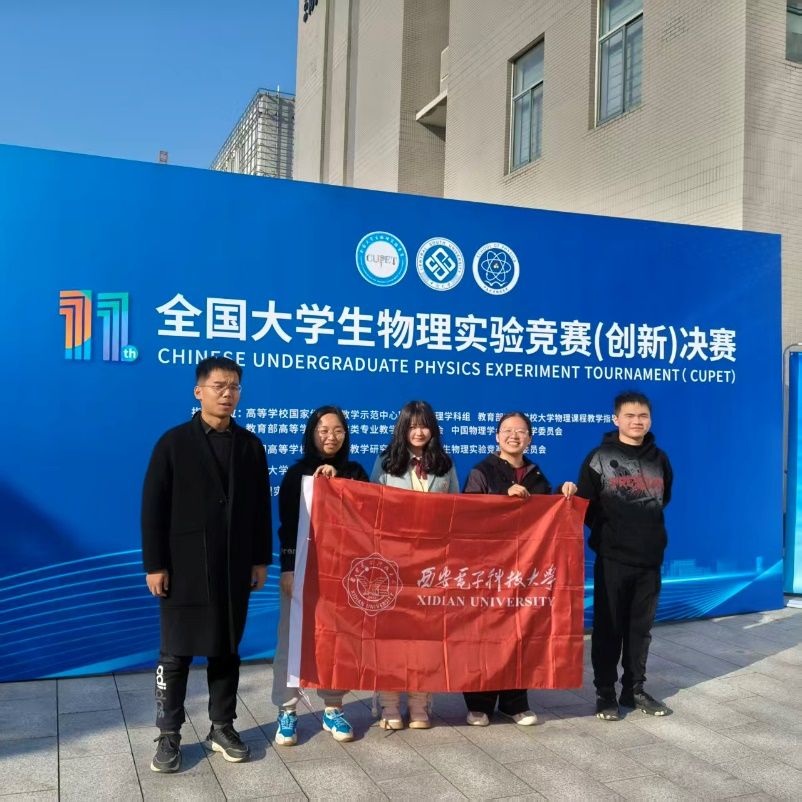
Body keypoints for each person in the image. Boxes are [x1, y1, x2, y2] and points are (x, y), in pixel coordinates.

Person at [142, 357, 271, 773]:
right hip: (183, 568)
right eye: (219, 386)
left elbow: (260, 509)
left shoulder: (250, 445)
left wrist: (260, 559)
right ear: (199, 391)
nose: (227, 394)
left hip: (233, 566)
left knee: (226, 650)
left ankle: (222, 726)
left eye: (234, 387)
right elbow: (153, 507)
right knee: (175, 654)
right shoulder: (173, 443)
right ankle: (168, 734)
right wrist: (155, 564)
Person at [462, 412, 577, 727]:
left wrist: (564, 493)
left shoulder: (537, 476)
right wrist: (503, 497)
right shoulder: (481, 472)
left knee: (521, 633)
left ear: (530, 438)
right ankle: (479, 704)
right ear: (497, 436)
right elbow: (470, 516)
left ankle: (515, 703)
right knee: (485, 636)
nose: (514, 436)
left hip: (525, 572)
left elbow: (548, 518)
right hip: (487, 570)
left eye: (521, 431)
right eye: (507, 430)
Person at [272, 405, 369, 747]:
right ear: (312, 433)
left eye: (338, 430)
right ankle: (287, 711)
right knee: (291, 639)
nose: (331, 436)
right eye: (324, 430)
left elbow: (368, 516)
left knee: (337, 640)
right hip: (302, 569)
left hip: (342, 571)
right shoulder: (296, 473)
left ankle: (333, 706)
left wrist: (339, 483)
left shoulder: (355, 472)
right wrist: (288, 568)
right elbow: (287, 526)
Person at [577, 391, 673, 721]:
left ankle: (634, 689)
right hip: (613, 559)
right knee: (609, 628)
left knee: (640, 630)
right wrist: (612, 533)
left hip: (650, 558)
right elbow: (585, 506)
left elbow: (663, 499)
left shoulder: (660, 459)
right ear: (616, 419)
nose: (637, 421)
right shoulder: (599, 458)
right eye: (630, 416)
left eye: (643, 416)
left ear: (650, 420)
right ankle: (605, 692)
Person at [370, 400, 459, 730]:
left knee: (426, 635)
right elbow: (371, 508)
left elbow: (457, 510)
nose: (418, 432)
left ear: (432, 429)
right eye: (412, 426)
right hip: (393, 563)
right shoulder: (386, 462)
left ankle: (420, 703)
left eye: (424, 425)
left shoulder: (445, 464)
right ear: (402, 429)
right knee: (391, 636)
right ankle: (390, 704)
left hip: (431, 564)